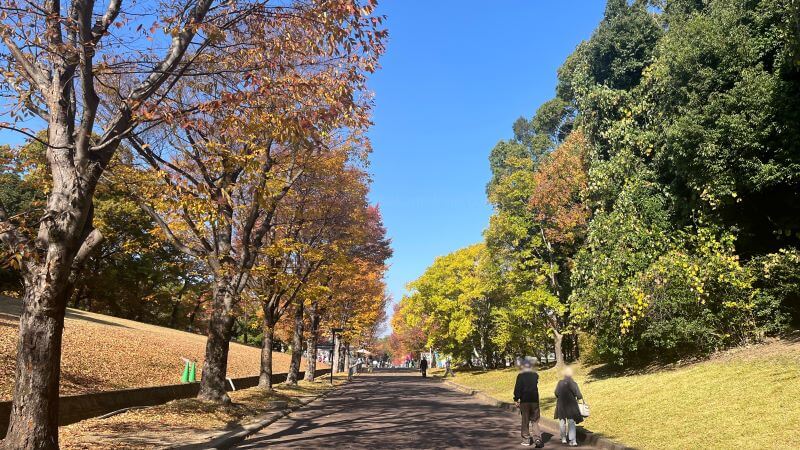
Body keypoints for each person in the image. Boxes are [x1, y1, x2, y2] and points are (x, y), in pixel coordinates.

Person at [513, 357, 543, 448]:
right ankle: (537, 438)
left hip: (525, 401)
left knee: (525, 421)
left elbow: (518, 388)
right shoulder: (535, 375)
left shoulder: (520, 376)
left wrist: (516, 399)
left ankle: (526, 440)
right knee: (535, 421)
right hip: (534, 400)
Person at [554, 366, 584, 447]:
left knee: (562, 422)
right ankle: (573, 440)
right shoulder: (573, 383)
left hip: (561, 405)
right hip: (571, 405)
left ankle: (563, 438)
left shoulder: (560, 383)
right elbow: (579, 395)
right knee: (571, 422)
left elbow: (556, 393)